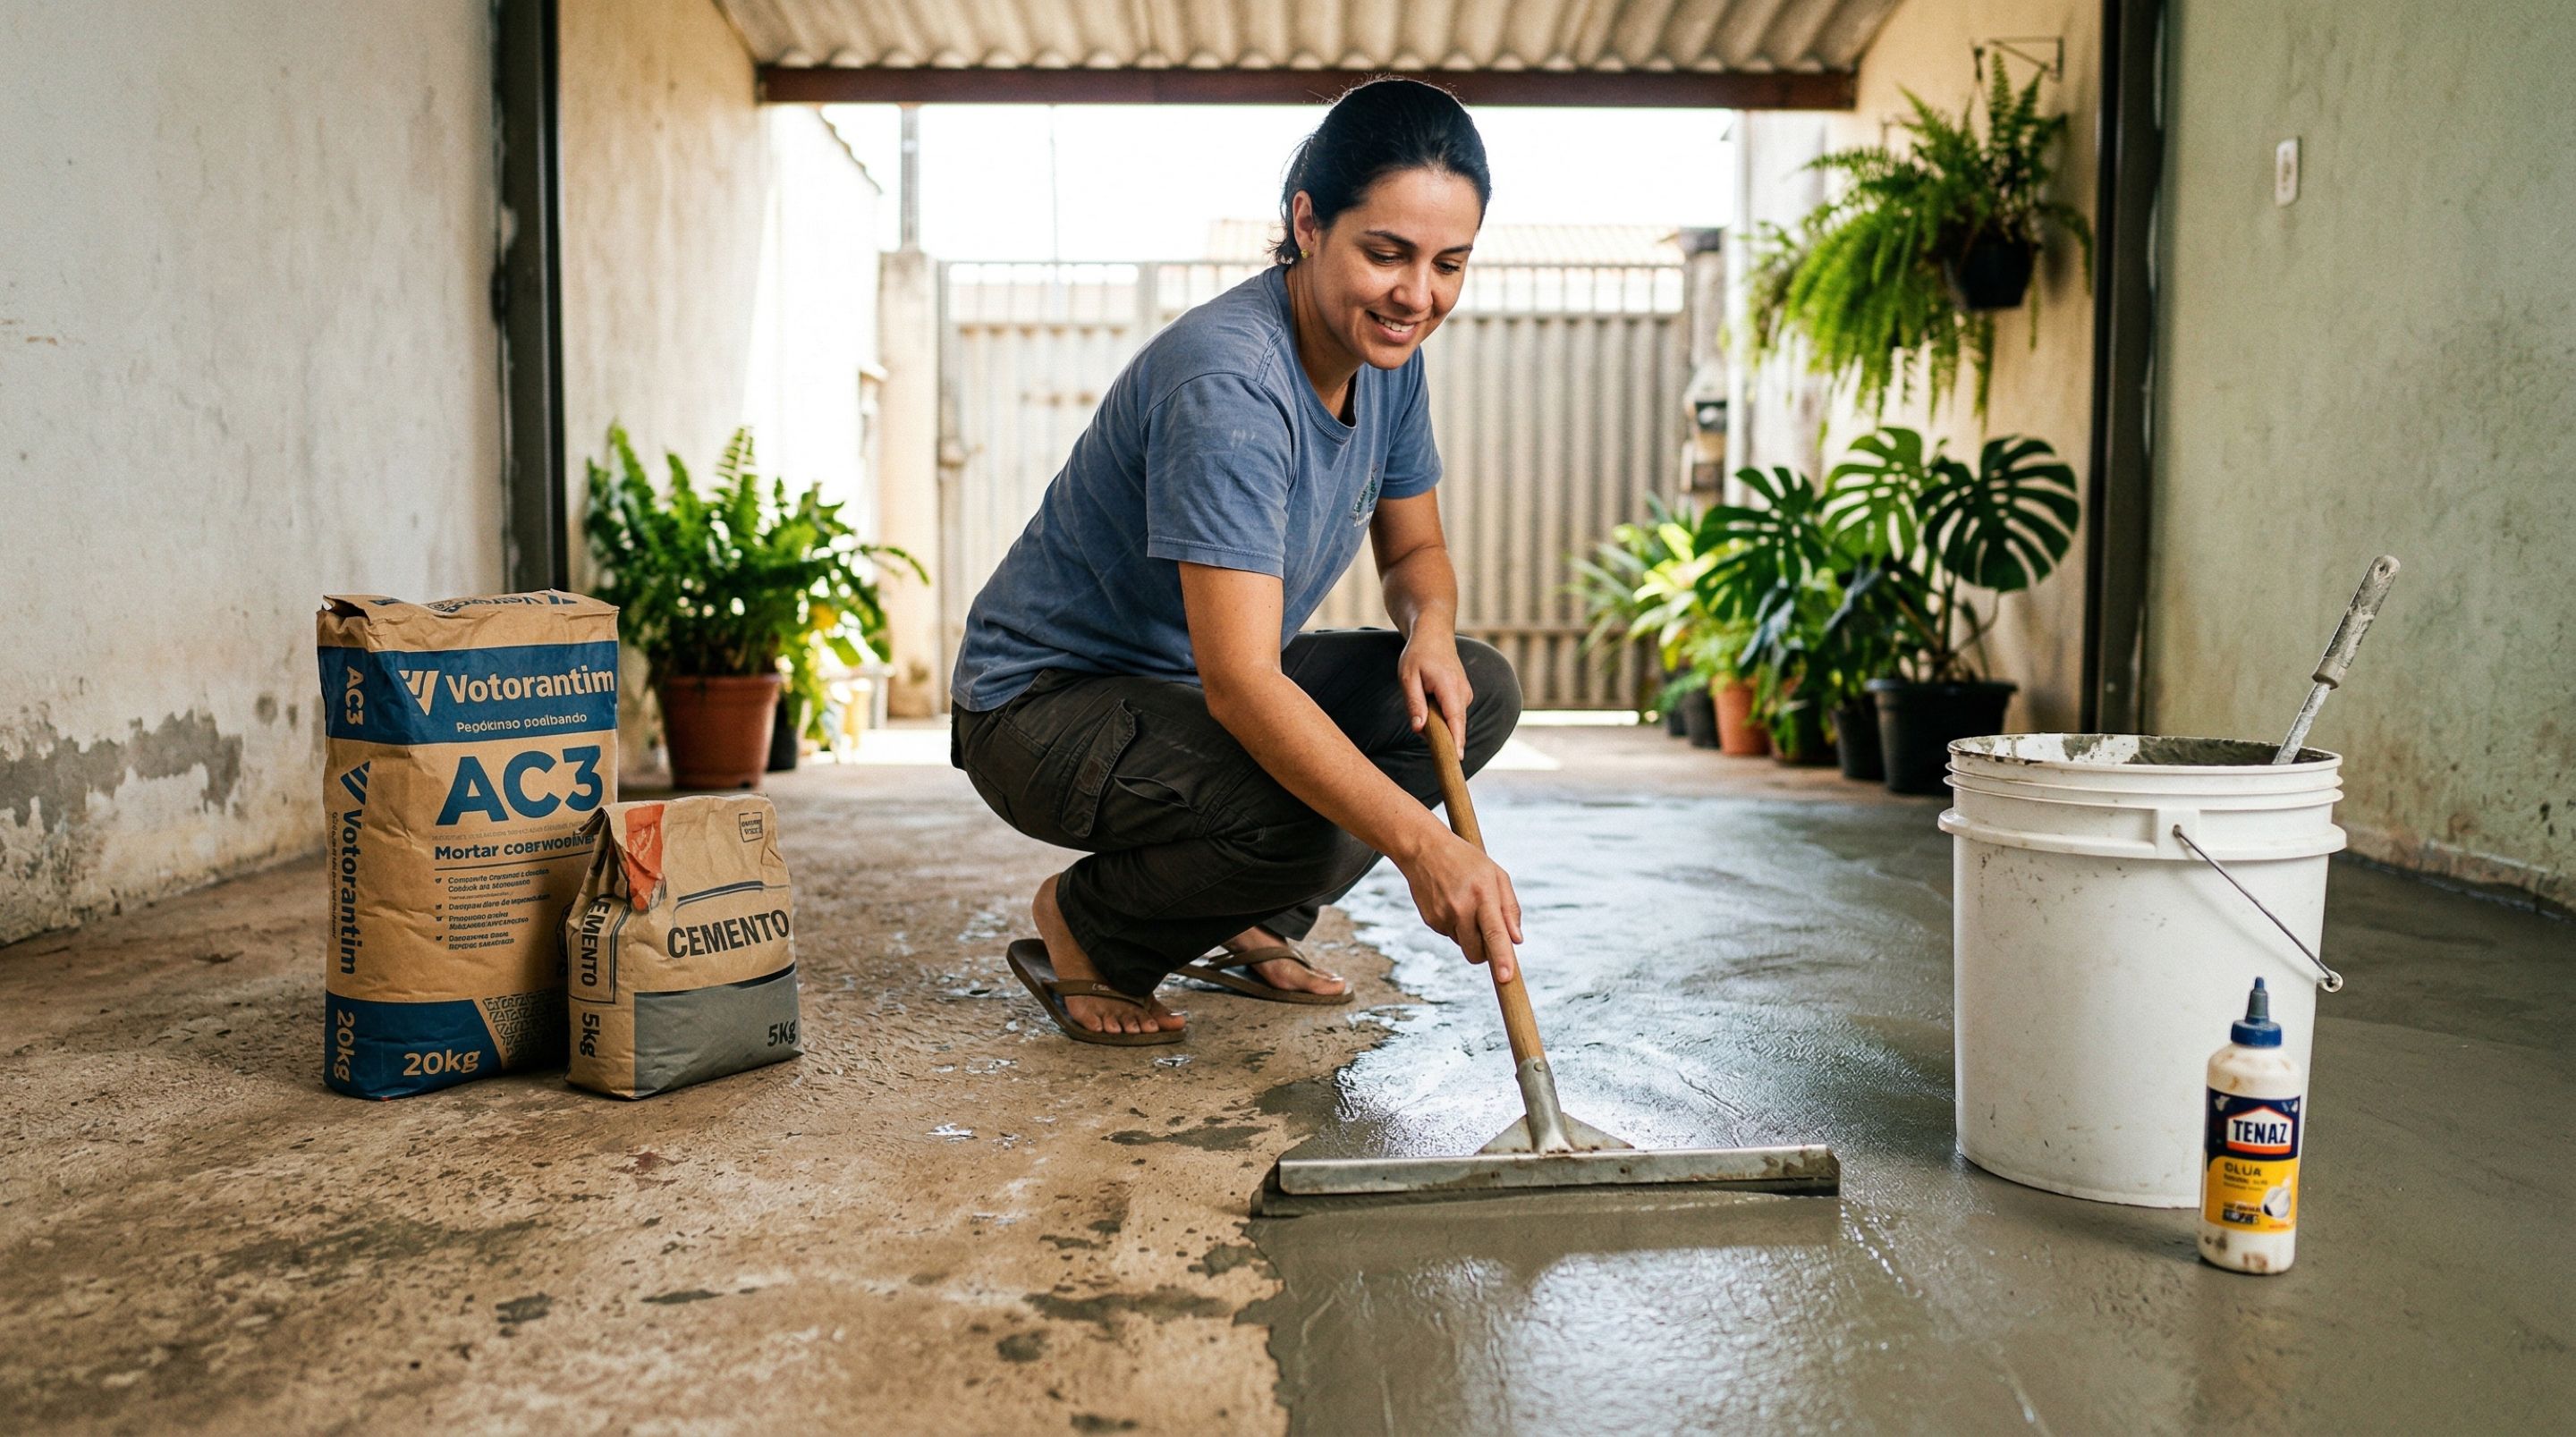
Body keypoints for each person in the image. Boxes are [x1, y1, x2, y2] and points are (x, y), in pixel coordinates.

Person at [950, 79, 1524, 1046]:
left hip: (1183, 692)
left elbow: (1416, 546)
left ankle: (1245, 912)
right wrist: (1427, 848)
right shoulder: (1231, 381)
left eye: (1448, 264)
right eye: (1385, 253)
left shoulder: (1391, 359)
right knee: (1306, 806)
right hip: (1040, 707)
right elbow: (1245, 686)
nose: (1416, 295)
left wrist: (1427, 628)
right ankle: (1093, 928)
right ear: (1307, 221)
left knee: (1479, 691)